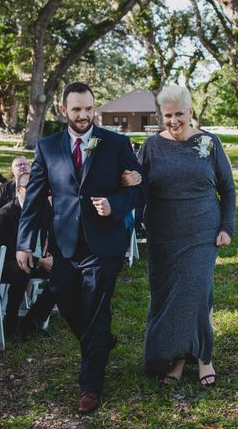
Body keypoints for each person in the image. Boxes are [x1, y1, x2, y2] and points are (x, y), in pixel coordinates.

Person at [16, 81, 145, 415]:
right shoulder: (47, 147)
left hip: (104, 244)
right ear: (64, 111)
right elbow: (32, 200)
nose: (84, 115)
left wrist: (115, 204)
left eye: (89, 109)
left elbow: (138, 190)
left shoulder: (115, 143)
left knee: (97, 308)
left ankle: (90, 386)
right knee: (65, 297)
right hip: (65, 244)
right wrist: (24, 243)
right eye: (77, 110)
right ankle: (99, 342)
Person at [139, 85, 235, 387]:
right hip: (163, 237)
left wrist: (226, 227)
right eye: (168, 115)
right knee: (166, 297)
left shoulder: (209, 143)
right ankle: (177, 356)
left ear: (190, 112)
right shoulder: (151, 146)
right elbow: (136, 189)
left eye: (179, 113)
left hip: (201, 233)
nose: (174, 120)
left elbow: (227, 189)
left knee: (195, 294)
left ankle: (203, 357)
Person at [0, 173, 52, 338]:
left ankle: (33, 320)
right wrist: (39, 261)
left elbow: (53, 230)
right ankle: (10, 325)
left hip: (40, 258)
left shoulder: (44, 207)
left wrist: (50, 249)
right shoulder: (4, 214)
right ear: (19, 190)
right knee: (22, 270)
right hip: (9, 263)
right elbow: (4, 250)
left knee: (65, 272)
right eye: (30, 188)